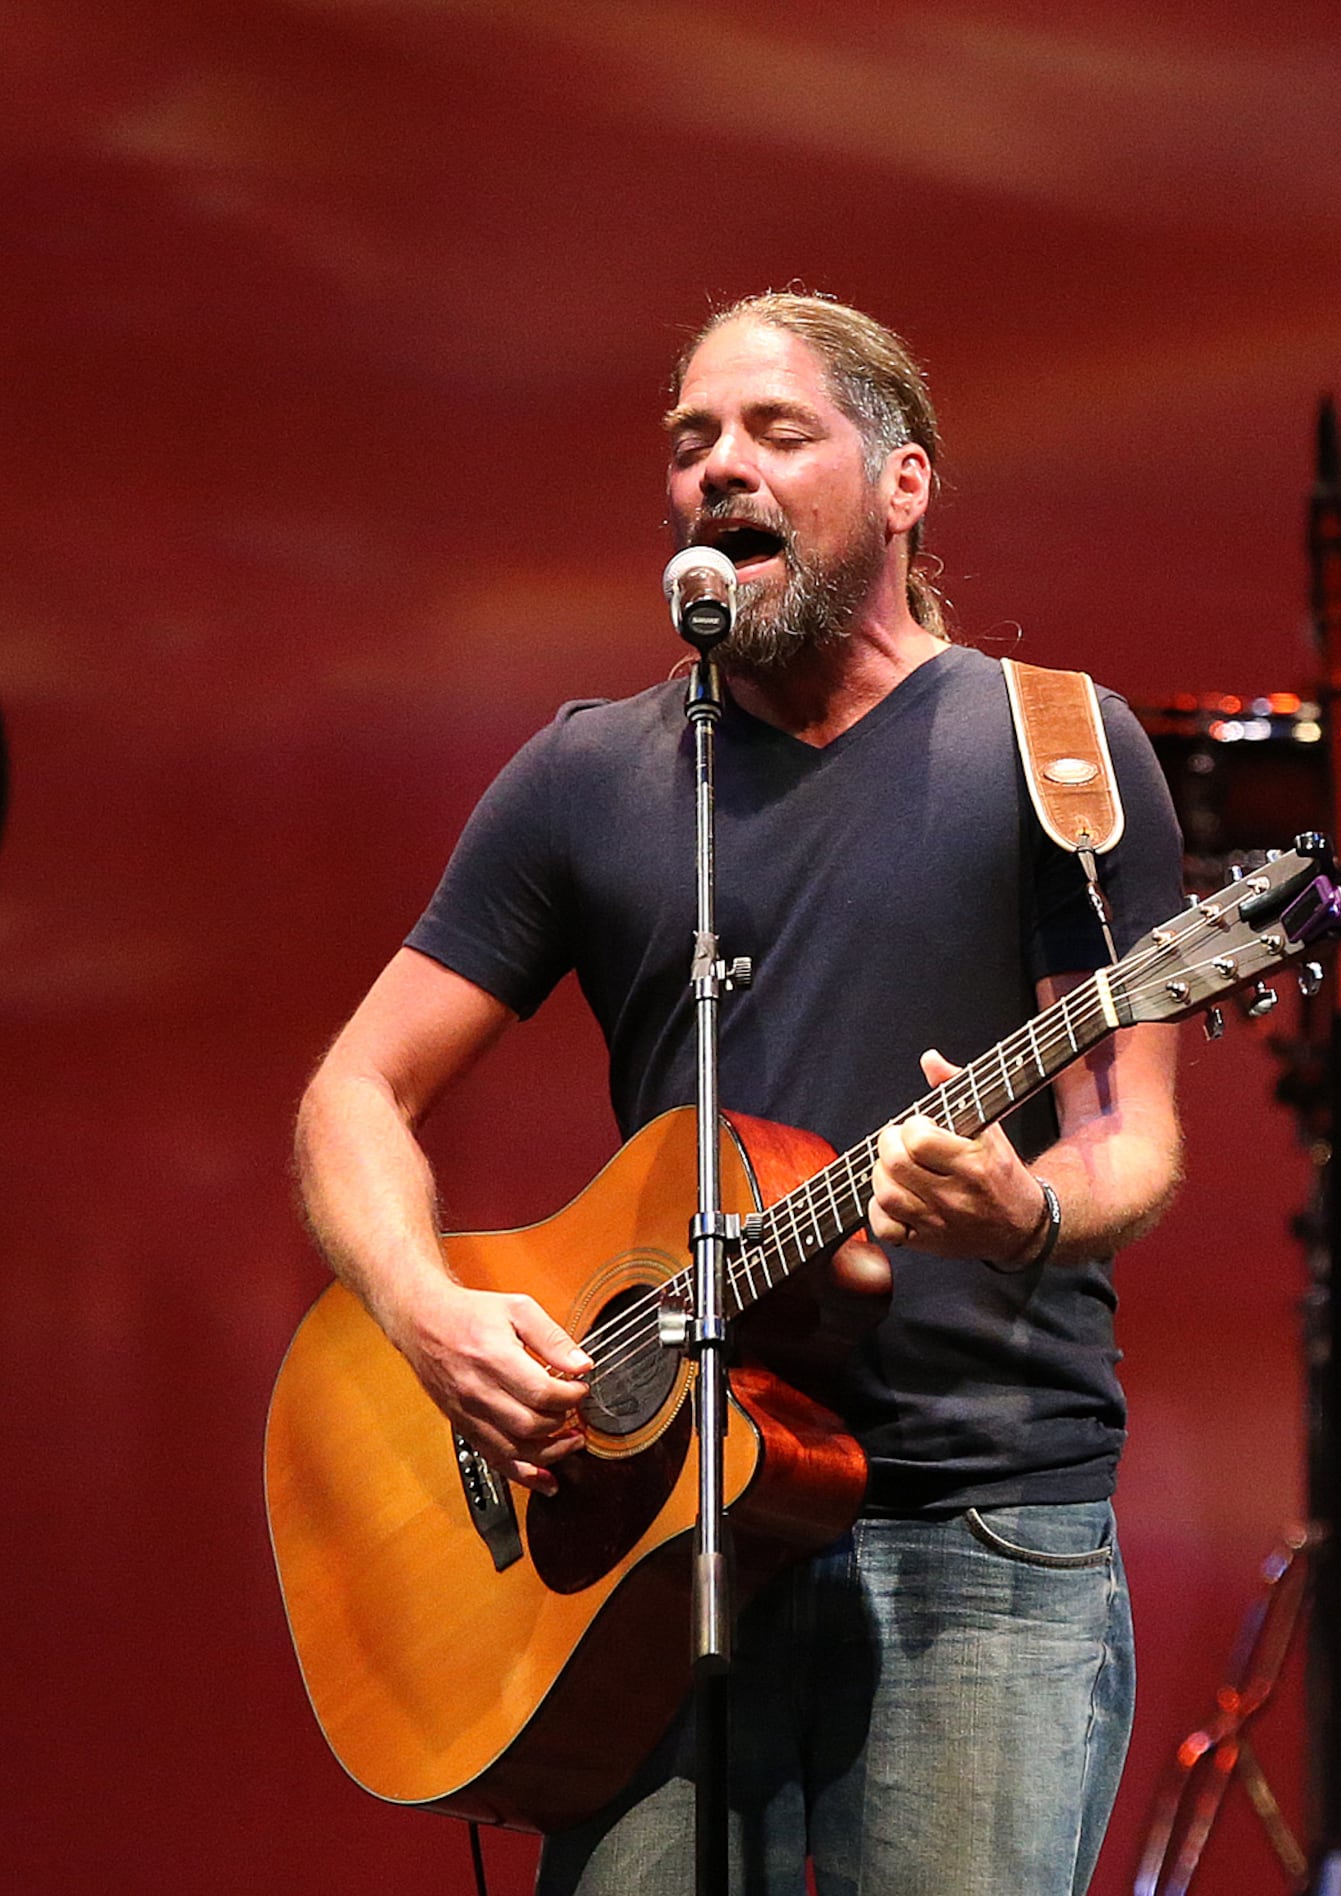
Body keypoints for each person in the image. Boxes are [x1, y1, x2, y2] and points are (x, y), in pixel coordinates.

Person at [293, 291, 1188, 1895]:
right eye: (692, 439)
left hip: (975, 1527)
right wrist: (428, 1312)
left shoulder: (1056, 749)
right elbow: (354, 1093)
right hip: (641, 1538)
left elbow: (1132, 1129)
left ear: (903, 484)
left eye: (779, 433)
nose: (721, 468)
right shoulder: (589, 775)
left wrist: (1028, 1212)